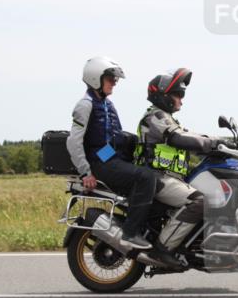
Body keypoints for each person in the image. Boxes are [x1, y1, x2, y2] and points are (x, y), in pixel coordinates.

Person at [66, 56, 173, 263]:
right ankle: (130, 233)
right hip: (99, 164)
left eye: (115, 79)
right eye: (110, 79)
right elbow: (74, 142)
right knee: (146, 177)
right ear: (96, 78)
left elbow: (115, 138)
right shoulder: (86, 105)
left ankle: (150, 231)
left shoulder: (106, 104)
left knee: (156, 177)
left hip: (109, 158)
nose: (114, 83)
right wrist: (86, 172)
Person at [136, 67, 233, 258]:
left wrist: (221, 141)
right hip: (157, 177)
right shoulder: (155, 116)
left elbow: (190, 135)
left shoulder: (167, 119)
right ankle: (162, 250)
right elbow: (178, 138)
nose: (181, 100)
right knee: (199, 202)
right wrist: (215, 143)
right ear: (164, 95)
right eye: (178, 94)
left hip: (170, 177)